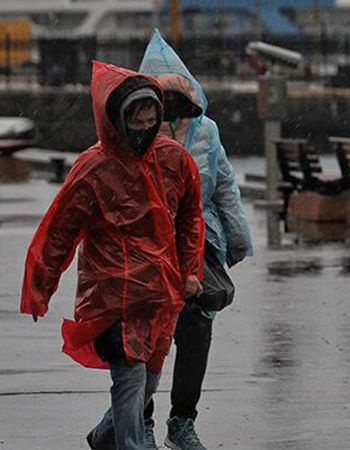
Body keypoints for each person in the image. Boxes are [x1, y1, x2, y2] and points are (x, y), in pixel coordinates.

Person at [20, 61, 205, 450]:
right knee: (132, 378)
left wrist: (191, 271)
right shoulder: (94, 169)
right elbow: (59, 232)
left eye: (150, 119)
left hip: (161, 293)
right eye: (136, 120)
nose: (143, 128)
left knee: (147, 380)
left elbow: (191, 216)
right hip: (114, 296)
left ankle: (107, 435)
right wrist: (40, 287)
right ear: (117, 119)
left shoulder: (172, 160)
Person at [138, 29, 254, 450]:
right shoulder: (136, 131)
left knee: (195, 336)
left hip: (199, 249)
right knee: (146, 340)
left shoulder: (208, 133)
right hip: (148, 252)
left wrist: (236, 240)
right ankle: (139, 421)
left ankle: (182, 421)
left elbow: (224, 187)